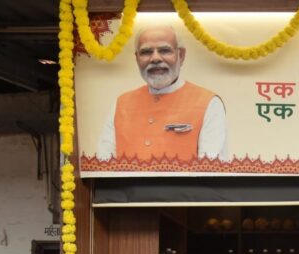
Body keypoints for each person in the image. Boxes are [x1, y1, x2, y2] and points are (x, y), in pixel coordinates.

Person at [96, 25, 228, 163]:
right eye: (146, 52)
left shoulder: (209, 103)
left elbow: (212, 171)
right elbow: (103, 164)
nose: (155, 58)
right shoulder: (121, 104)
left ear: (181, 55)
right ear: (137, 58)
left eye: (164, 50)